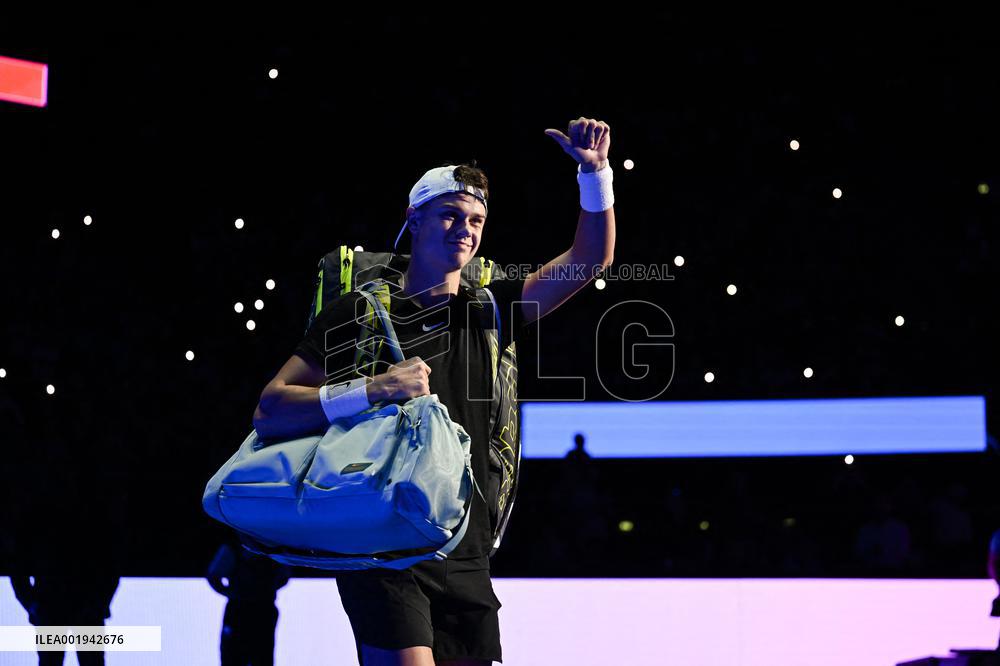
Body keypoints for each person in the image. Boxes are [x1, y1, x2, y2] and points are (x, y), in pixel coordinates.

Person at [252, 116, 615, 665]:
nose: (464, 229)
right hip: (383, 543)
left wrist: (596, 174)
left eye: (475, 220)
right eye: (449, 215)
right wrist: (373, 389)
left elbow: (590, 260)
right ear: (414, 219)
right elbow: (271, 408)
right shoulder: (358, 311)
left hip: (466, 547)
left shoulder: (493, 309)